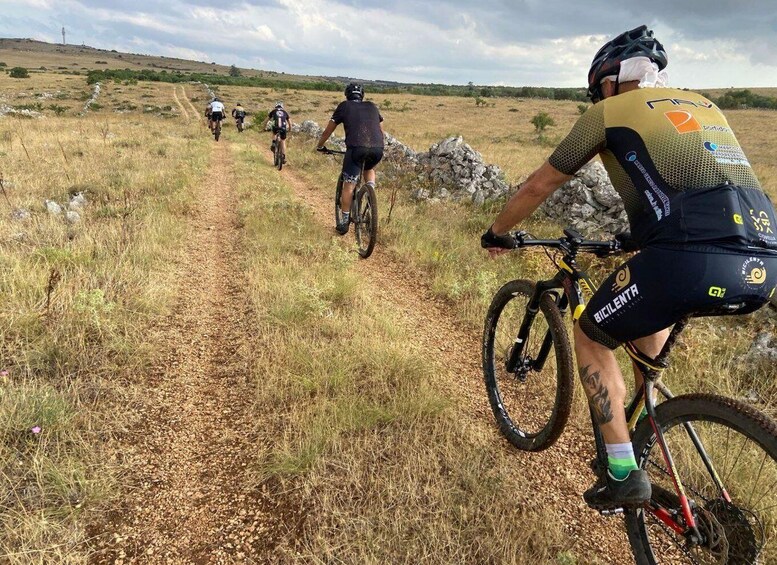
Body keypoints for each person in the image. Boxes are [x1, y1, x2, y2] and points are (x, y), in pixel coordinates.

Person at [481, 25, 777, 510]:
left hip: (686, 258)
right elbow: (698, 188)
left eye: (599, 87)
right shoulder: (705, 106)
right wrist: (639, 236)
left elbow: (540, 184)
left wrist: (496, 232)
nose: (599, 95)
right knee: (648, 310)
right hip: (763, 257)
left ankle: (622, 472)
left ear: (611, 81)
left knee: (590, 335)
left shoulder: (607, 112)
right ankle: (650, 426)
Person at [316, 83, 385, 234]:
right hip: (377, 148)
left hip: (356, 149)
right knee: (369, 167)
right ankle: (370, 192)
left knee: (349, 184)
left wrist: (320, 145)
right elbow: (380, 130)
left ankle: (345, 221)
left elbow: (328, 131)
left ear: (347, 95)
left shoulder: (344, 106)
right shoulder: (372, 106)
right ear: (362, 95)